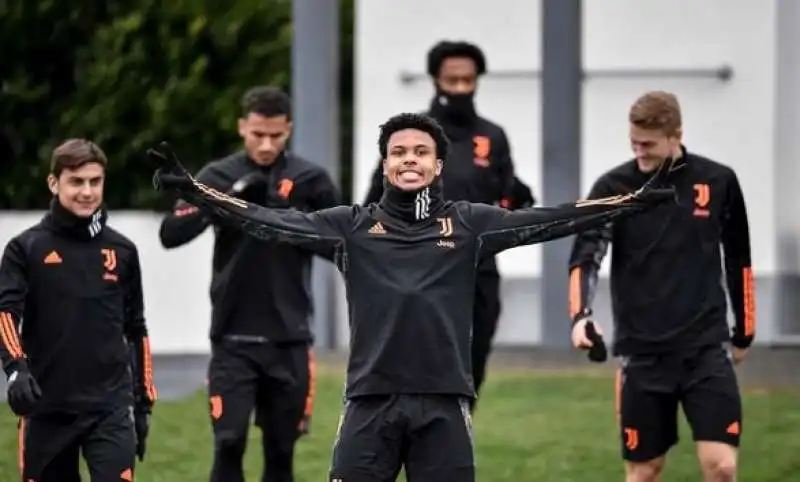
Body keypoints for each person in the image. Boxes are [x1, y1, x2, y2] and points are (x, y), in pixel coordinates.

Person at [150, 112, 674, 482]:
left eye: (421, 152)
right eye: (398, 151)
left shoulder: (468, 224)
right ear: (385, 164)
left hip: (444, 404)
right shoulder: (352, 227)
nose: (409, 159)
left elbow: (549, 218)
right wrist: (198, 192)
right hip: (370, 404)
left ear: (437, 165)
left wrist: (629, 203)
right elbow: (268, 220)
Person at [567, 91, 754, 482]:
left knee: (721, 467)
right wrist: (581, 316)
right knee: (644, 472)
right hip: (643, 355)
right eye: (634, 143)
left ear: (676, 135)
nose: (640, 152)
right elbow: (587, 254)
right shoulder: (613, 186)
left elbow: (740, 260)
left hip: (705, 349)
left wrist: (744, 333)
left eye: (649, 145)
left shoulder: (717, 180)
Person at [158, 86, 340, 482]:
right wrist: (223, 201)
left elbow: (341, 246)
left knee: (280, 452)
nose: (266, 144)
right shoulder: (217, 176)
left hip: (289, 338)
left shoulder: (310, 180)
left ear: (288, 129)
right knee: (228, 442)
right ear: (242, 127)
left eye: (275, 135)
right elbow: (170, 234)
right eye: (258, 134)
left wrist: (285, 217)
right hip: (232, 338)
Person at [364, 40, 536, 407]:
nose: (459, 89)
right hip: (421, 268)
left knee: (471, 365)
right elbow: (373, 207)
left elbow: (506, 195)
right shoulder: (412, 137)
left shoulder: (491, 136)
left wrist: (517, 199)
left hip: (477, 267)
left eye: (467, 81)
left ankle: (458, 433)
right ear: (434, 80)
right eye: (451, 81)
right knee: (419, 366)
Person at [0, 139, 157, 481]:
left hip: (110, 408)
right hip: (47, 408)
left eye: (95, 182)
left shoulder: (123, 250)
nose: (87, 192)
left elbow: (136, 329)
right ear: (54, 183)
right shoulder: (24, 249)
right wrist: (16, 370)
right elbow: (5, 315)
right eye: (76, 182)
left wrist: (143, 402)